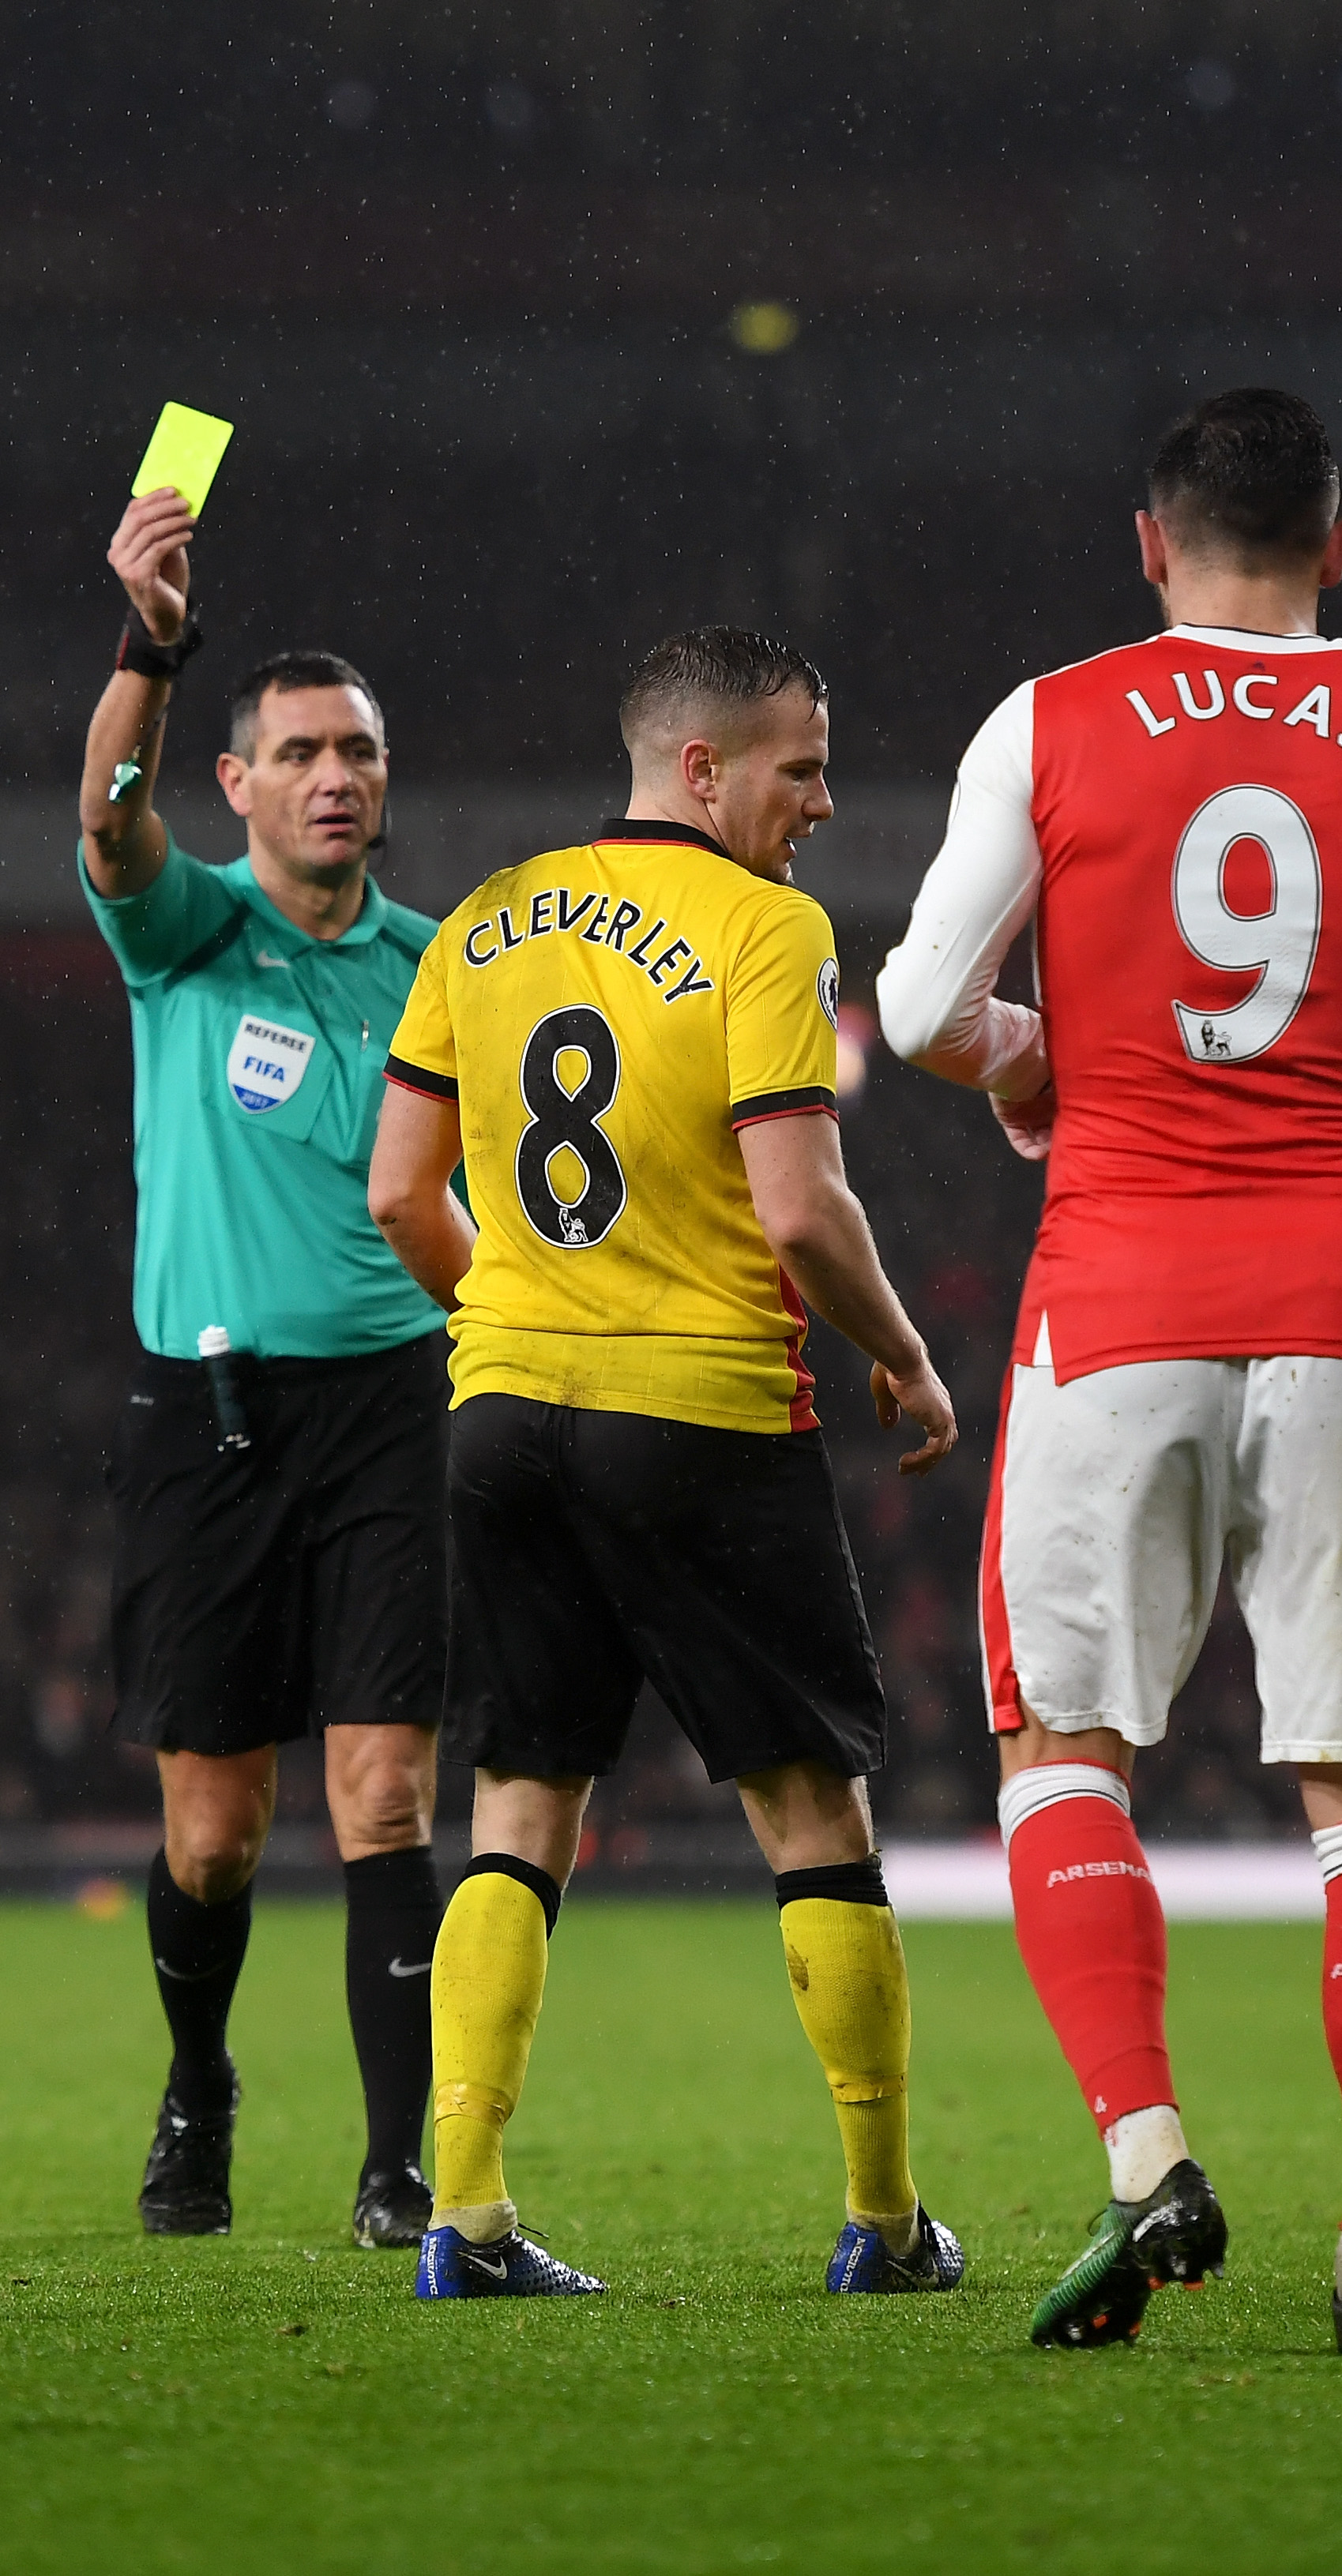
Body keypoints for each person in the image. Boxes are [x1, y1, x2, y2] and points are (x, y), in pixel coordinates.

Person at [878, 387, 1342, 2356]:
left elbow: (915, 1000)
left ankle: (1144, 2153)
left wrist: (1032, 1068)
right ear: (1340, 543)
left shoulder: (1046, 719)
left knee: (1062, 1751)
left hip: (1109, 1298)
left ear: (1148, 543)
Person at [367, 626, 967, 2302]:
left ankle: (464, 2218)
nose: (824, 803)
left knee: (520, 1795)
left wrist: (518, 1323)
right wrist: (903, 1355)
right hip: (696, 1413)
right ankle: (885, 2221)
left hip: (496, 1418)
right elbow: (796, 1203)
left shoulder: (480, 914)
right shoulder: (766, 927)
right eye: (800, 767)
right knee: (806, 1801)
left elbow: (400, 1195)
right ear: (701, 771)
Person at [73, 485, 450, 2247]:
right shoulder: (183, 933)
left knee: (385, 1788)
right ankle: (198, 2076)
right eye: (298, 749)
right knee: (213, 1834)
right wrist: (151, 647)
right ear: (236, 783)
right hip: (203, 1414)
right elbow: (100, 808)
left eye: (357, 751)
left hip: (393, 1407)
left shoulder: (439, 970)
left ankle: (397, 2163)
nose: (332, 776)